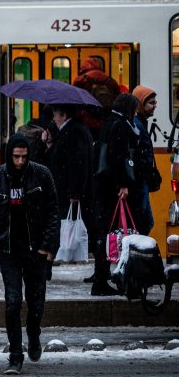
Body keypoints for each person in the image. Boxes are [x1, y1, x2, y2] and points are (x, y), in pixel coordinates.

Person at [0, 134, 60, 375]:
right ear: (9, 155)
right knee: (12, 303)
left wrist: (47, 247)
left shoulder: (41, 174)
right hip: (9, 250)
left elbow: (54, 211)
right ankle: (15, 355)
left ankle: (33, 334)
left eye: (24, 156)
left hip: (36, 251)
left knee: (36, 303)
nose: (20, 161)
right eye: (16, 156)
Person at [89, 93, 141, 295]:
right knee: (109, 233)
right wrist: (123, 184)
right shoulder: (119, 125)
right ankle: (102, 279)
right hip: (111, 188)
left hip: (103, 186)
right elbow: (117, 156)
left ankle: (101, 277)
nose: (135, 112)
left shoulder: (108, 123)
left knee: (105, 233)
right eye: (134, 108)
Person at [46, 104, 94, 260]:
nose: (53, 119)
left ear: (64, 115)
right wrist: (49, 144)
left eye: (55, 115)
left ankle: (56, 256)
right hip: (68, 189)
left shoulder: (73, 132)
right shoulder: (74, 130)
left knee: (64, 223)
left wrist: (75, 192)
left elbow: (76, 164)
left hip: (68, 190)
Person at [131, 85, 161, 235]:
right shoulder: (138, 124)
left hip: (141, 180)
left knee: (145, 221)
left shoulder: (139, 123)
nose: (155, 106)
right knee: (144, 221)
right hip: (140, 181)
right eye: (151, 103)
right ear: (140, 104)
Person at [73, 57, 120, 134]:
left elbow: (75, 101)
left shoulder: (80, 80)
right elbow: (117, 98)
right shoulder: (110, 80)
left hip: (86, 120)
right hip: (105, 120)